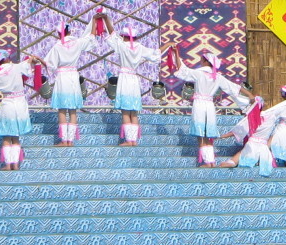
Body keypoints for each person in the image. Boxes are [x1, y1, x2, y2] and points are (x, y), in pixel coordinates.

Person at [173, 50, 252, 167]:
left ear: (205, 61)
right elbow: (234, 87)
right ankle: (210, 161)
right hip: (209, 106)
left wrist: (176, 53)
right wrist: (250, 95)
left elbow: (182, 70)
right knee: (207, 134)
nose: (200, 62)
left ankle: (208, 162)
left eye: (201, 60)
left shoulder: (199, 73)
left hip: (200, 104)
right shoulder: (217, 77)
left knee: (201, 134)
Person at [100, 14, 165, 147]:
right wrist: (168, 45)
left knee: (125, 110)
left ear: (123, 36)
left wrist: (106, 19)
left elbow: (112, 33)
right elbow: (155, 53)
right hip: (134, 79)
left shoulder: (122, 46)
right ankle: (133, 140)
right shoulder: (140, 48)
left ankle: (129, 140)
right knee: (133, 111)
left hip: (124, 78)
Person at [43, 17, 96, 147]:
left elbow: (49, 64)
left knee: (62, 109)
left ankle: (64, 140)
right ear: (69, 31)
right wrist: (95, 22)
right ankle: (70, 140)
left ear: (58, 33)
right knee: (72, 110)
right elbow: (91, 37)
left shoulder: (57, 46)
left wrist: (38, 62)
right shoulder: (77, 42)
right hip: (73, 76)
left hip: (62, 77)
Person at [219, 97, 280, 177]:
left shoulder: (250, 118)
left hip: (251, 145)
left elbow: (236, 132)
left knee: (241, 153)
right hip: (264, 146)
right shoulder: (271, 117)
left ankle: (232, 162)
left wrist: (220, 137)